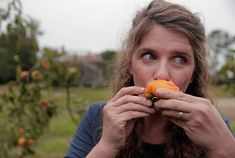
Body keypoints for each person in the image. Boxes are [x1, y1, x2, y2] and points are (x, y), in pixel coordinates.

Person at [65, 0, 235, 157]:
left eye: (179, 59)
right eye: (149, 56)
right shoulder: (99, 117)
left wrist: (223, 148)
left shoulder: (212, 126)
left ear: (193, 74)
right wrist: (107, 146)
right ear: (130, 64)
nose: (161, 74)